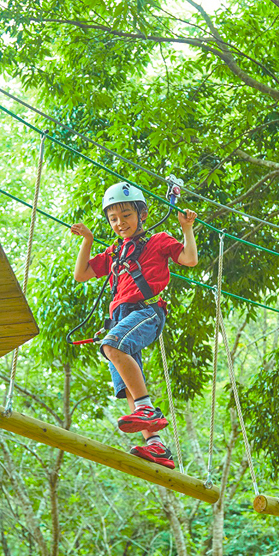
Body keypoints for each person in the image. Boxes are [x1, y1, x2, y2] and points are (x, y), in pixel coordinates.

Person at [70, 181, 198, 469]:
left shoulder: (158, 240)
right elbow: (82, 274)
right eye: (113, 218)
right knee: (129, 386)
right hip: (121, 317)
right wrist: (87, 241)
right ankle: (156, 445)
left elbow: (189, 259)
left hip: (147, 311)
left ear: (142, 214)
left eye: (126, 215)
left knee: (111, 346)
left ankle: (147, 410)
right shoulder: (116, 252)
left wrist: (186, 229)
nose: (120, 223)